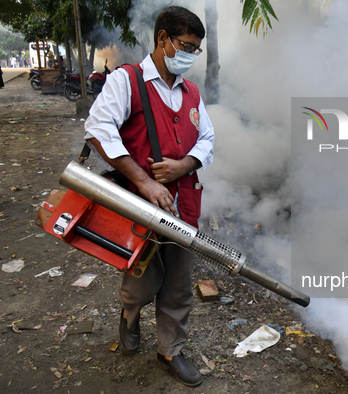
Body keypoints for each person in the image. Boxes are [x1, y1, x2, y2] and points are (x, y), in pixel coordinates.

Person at [84, 6, 214, 387]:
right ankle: (129, 313)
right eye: (186, 45)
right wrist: (145, 181)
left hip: (184, 206)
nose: (190, 54)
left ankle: (170, 350)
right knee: (141, 280)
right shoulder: (128, 81)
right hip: (139, 207)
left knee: (177, 283)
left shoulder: (191, 92)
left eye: (196, 49)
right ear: (163, 40)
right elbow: (98, 128)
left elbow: (207, 139)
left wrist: (184, 165)